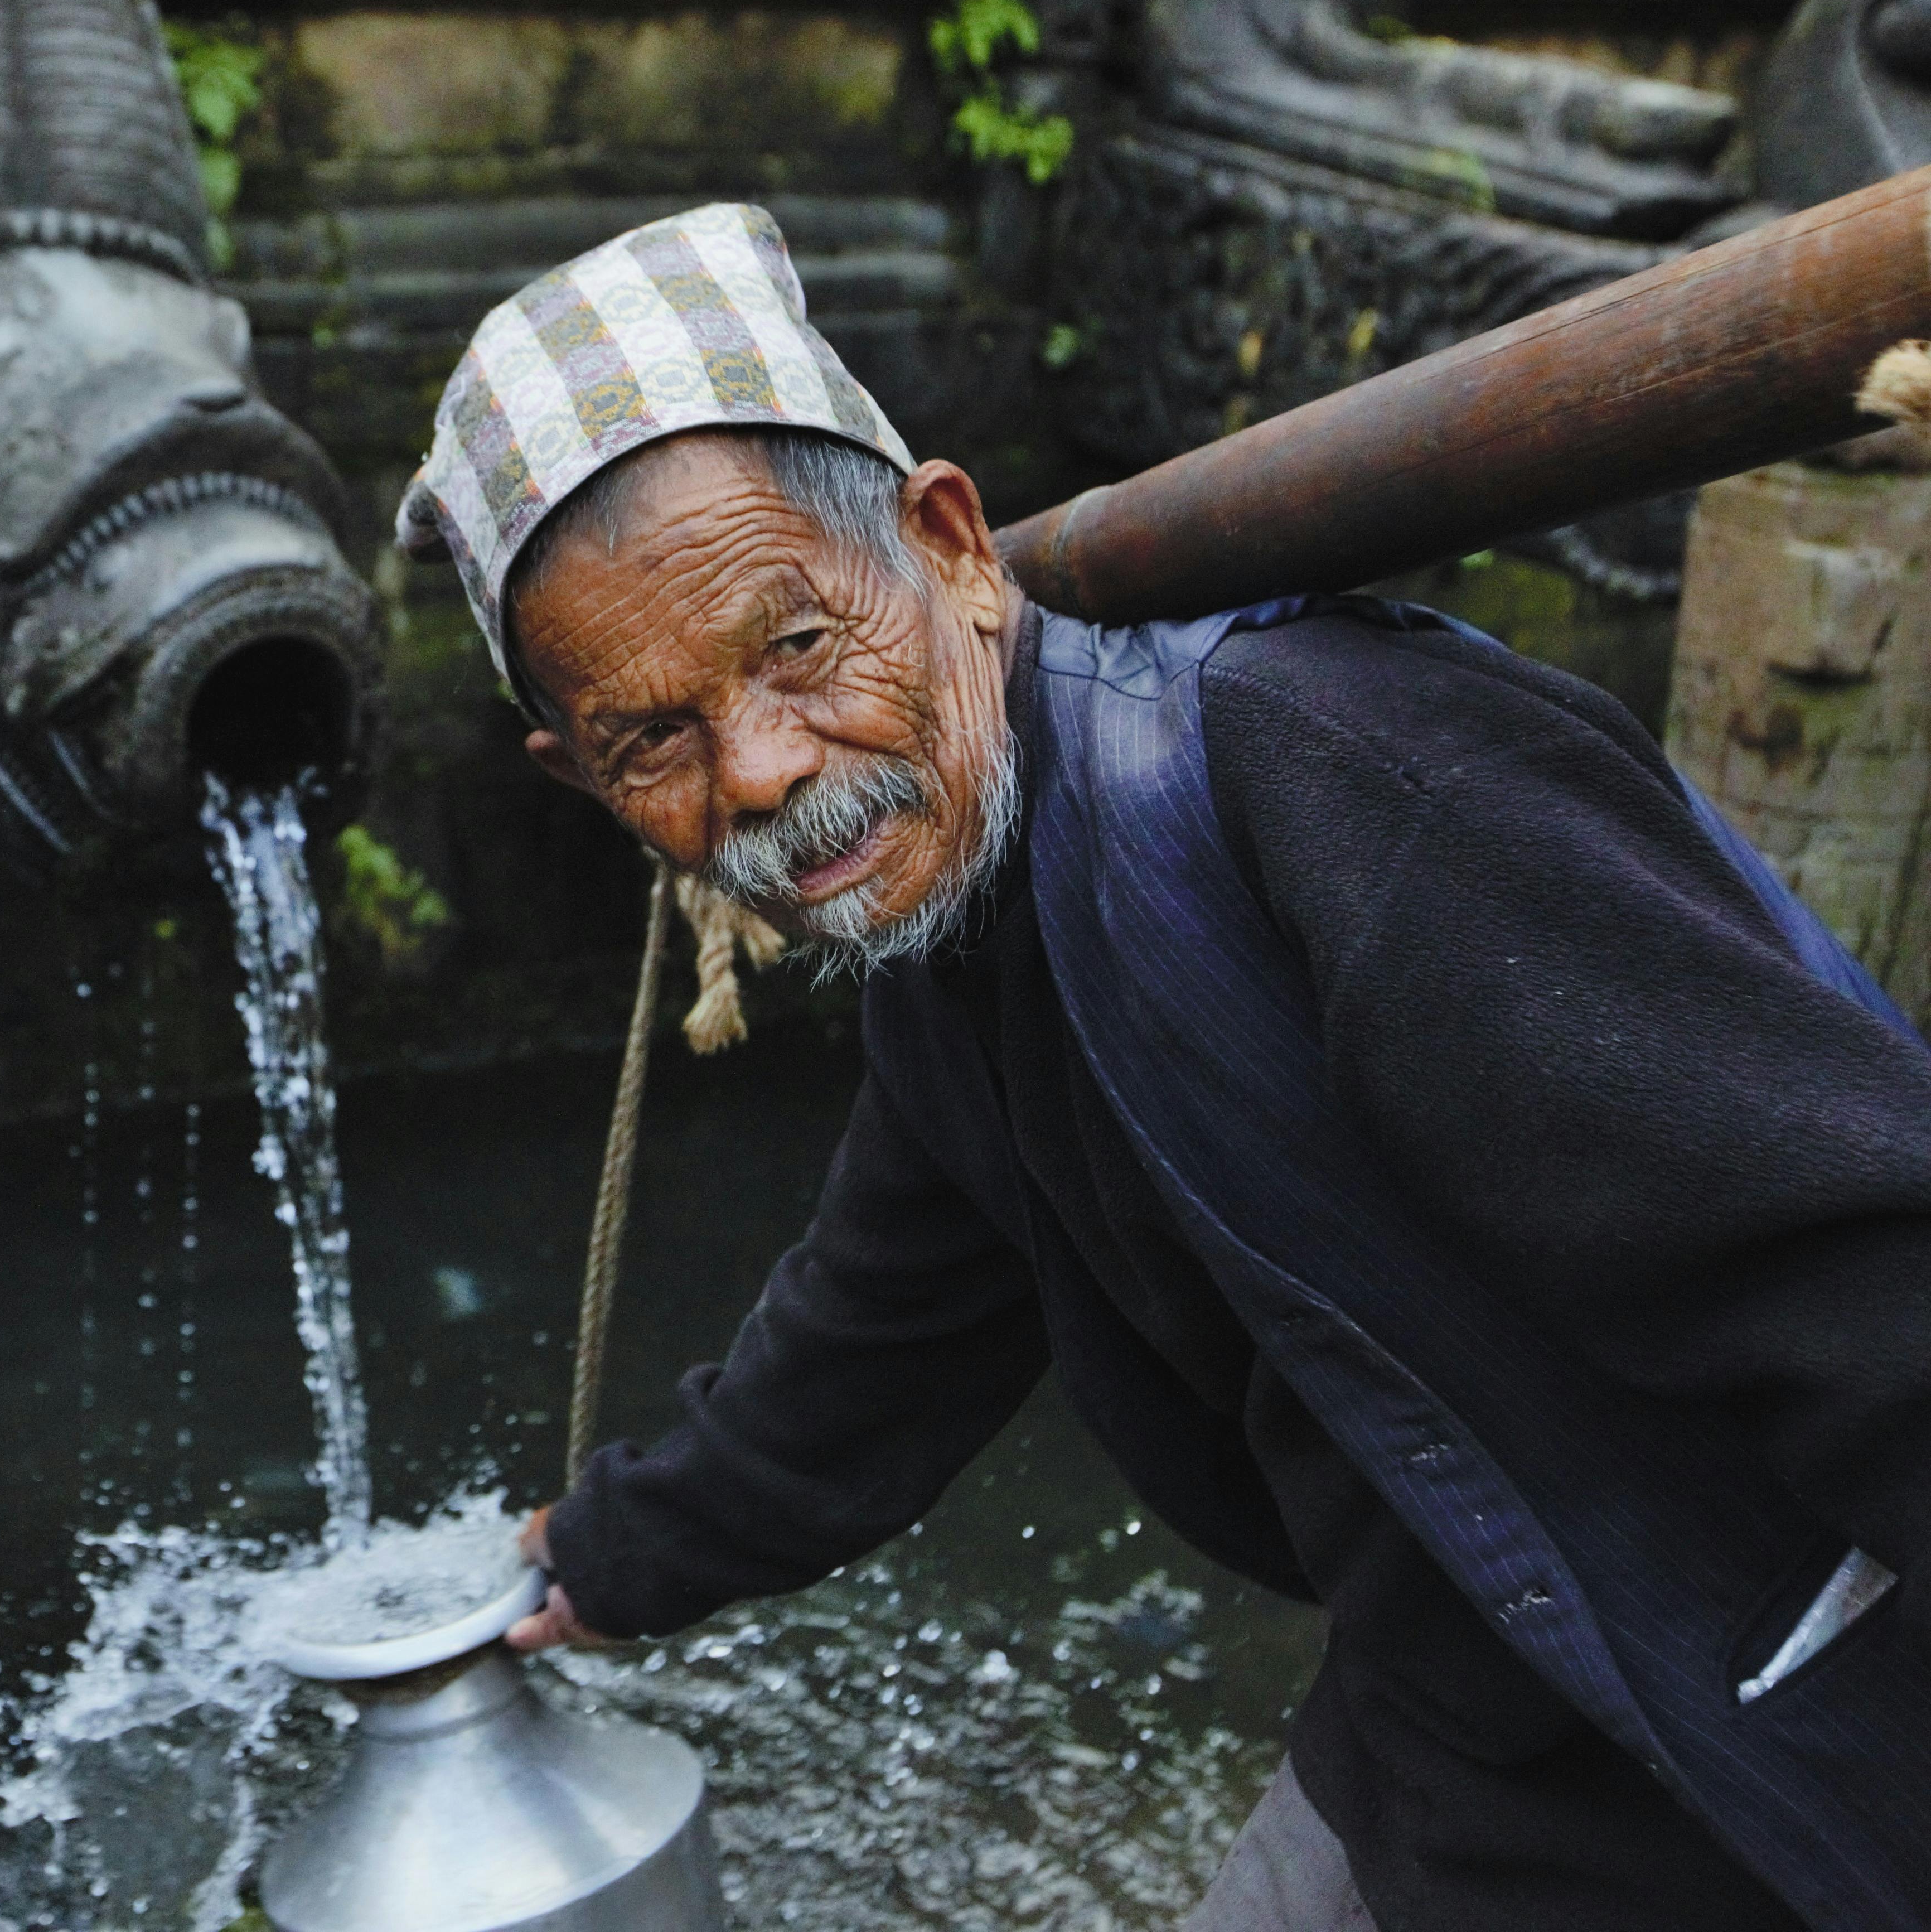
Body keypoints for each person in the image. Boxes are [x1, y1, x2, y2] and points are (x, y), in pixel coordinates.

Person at [390, 201, 1931, 1931]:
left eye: (801, 647)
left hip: (1748, 1725)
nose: (753, 773)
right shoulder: (949, 940)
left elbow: (1873, 1283)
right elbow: (874, 1345)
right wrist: (592, 1564)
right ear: (575, 779)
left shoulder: (1333, 776)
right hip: (1457, 1710)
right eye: (651, 742)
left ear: (954, 548)